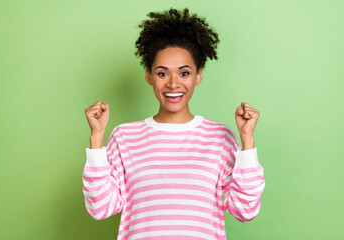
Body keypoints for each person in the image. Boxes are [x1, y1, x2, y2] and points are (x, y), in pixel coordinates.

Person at [83, 7, 265, 240]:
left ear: (198, 76)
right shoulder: (124, 137)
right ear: (148, 76)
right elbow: (100, 209)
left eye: (184, 73)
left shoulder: (220, 137)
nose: (172, 84)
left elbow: (244, 210)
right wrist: (96, 139)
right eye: (162, 74)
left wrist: (247, 141)